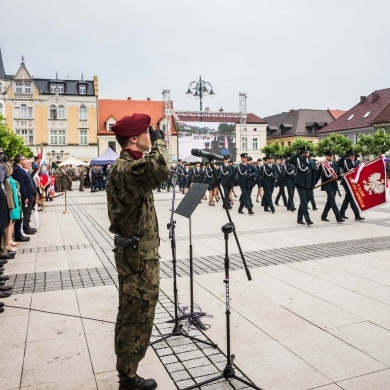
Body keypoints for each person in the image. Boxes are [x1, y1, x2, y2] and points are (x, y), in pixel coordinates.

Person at [107, 113, 170, 390]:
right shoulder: (125, 169)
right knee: (137, 315)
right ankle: (128, 379)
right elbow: (161, 168)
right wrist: (160, 140)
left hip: (139, 254)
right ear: (134, 138)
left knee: (134, 312)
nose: (150, 136)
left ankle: (127, 374)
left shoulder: (130, 166)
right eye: (147, 133)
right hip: (138, 258)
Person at [288, 146, 316, 225]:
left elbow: (313, 174)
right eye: (304, 152)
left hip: (308, 184)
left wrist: (313, 184)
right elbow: (290, 161)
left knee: (306, 201)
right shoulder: (298, 160)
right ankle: (308, 220)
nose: (306, 153)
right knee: (304, 201)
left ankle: (299, 219)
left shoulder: (312, 162)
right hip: (300, 184)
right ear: (302, 153)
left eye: (307, 152)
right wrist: (298, 154)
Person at [315, 150, 344, 223]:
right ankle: (338, 217)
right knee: (332, 201)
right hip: (327, 184)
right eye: (329, 156)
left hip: (334, 184)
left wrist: (339, 177)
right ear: (326, 156)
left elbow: (338, 173)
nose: (331, 157)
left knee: (329, 201)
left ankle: (324, 216)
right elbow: (318, 175)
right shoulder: (323, 165)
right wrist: (313, 184)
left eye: (332, 156)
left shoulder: (335, 164)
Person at [338, 150, 365, 221]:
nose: (352, 157)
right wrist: (344, 156)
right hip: (346, 182)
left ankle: (341, 213)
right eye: (351, 155)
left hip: (353, 183)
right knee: (352, 198)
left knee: (347, 199)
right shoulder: (345, 161)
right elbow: (340, 164)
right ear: (348, 156)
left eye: (353, 155)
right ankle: (357, 215)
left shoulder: (356, 162)